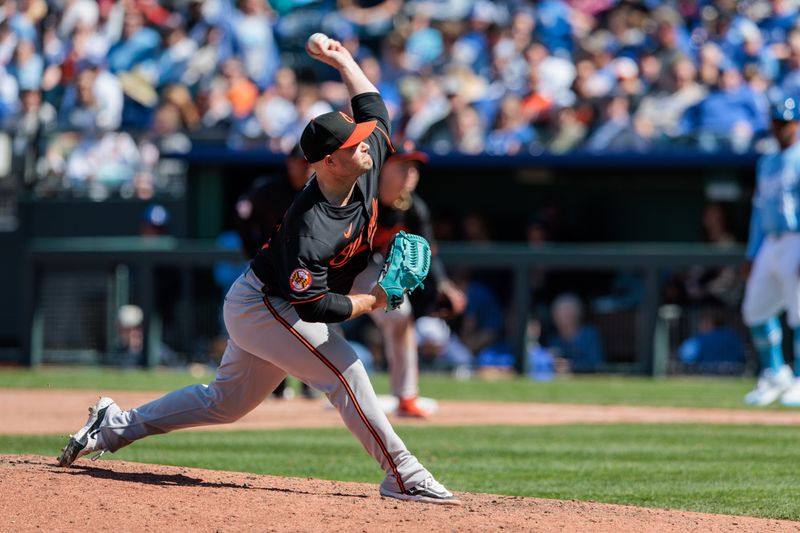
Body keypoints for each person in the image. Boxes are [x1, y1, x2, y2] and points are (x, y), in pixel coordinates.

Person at [57, 36, 460, 505]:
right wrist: (376, 300)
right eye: (353, 144)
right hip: (267, 307)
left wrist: (341, 59)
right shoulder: (311, 226)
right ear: (328, 161)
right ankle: (403, 473)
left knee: (223, 404)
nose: (366, 146)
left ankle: (113, 425)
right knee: (345, 370)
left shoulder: (363, 163)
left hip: (273, 303)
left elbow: (374, 107)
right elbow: (317, 307)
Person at [350, 142, 465, 417]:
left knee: (401, 317)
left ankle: (406, 396)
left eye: (414, 168)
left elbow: (428, 250)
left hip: (367, 269)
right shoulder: (359, 197)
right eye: (403, 166)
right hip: (331, 268)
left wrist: (445, 284)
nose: (411, 174)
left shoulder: (414, 209)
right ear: (382, 168)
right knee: (308, 320)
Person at [233, 142, 315, 399]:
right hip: (272, 270)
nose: (303, 168)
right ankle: (276, 388)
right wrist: (253, 251)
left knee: (311, 324)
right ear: (289, 163)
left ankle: (309, 385)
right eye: (299, 163)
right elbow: (243, 218)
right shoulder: (268, 190)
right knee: (274, 329)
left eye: (308, 163)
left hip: (307, 270)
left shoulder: (320, 191)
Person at [741, 97, 800, 406]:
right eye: (776, 123)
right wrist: (751, 254)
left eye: (786, 123)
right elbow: (758, 211)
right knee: (755, 309)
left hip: (796, 237)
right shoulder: (767, 162)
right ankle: (776, 373)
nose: (780, 128)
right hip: (771, 241)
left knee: (799, 310)